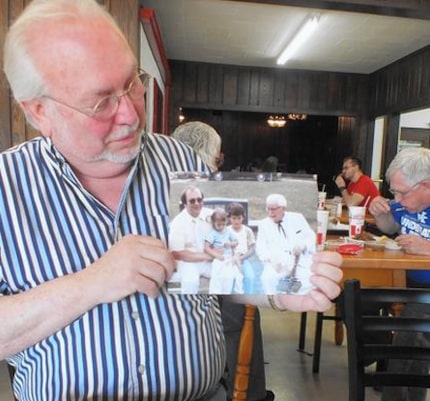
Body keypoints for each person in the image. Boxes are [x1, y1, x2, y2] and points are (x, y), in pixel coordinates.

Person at [1, 1, 342, 400]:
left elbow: (219, 268)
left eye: (132, 82)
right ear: (39, 111)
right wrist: (92, 283)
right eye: (100, 102)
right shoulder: (7, 187)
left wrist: (277, 290)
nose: (130, 114)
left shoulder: (183, 161)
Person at [171, 121, 274, 400]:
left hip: (169, 283)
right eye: (217, 157)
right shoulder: (209, 185)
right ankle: (250, 393)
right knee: (243, 312)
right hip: (194, 284)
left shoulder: (164, 182)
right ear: (212, 155)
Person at [369, 147, 430, 401]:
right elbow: (391, 226)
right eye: (393, 191)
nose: (397, 199)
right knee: (356, 294)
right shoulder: (405, 204)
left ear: (425, 185)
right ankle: (376, 358)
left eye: (401, 192)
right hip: (405, 282)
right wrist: (379, 213)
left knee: (412, 328)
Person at [256, 194, 316, 295]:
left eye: (273, 209)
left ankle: (298, 304)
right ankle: (278, 303)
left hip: (299, 261)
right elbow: (260, 248)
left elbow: (311, 237)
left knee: (309, 280)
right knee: (269, 278)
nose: (270, 213)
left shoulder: (297, 218)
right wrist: (271, 258)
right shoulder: (263, 224)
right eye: (268, 209)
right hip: (277, 262)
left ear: (283, 208)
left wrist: (303, 245)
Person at [168, 186, 214, 294]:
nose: (197, 203)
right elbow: (177, 253)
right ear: (185, 204)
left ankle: (218, 305)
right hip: (188, 263)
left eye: (199, 199)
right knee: (190, 281)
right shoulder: (178, 223)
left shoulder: (211, 215)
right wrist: (206, 256)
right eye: (192, 201)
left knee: (226, 275)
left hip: (209, 260)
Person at [204, 208, 241, 294]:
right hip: (218, 259)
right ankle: (215, 293)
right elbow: (206, 247)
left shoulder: (227, 231)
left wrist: (230, 244)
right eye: (218, 225)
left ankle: (225, 293)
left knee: (228, 277)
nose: (221, 227)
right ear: (213, 223)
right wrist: (216, 255)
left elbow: (236, 242)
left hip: (228, 258)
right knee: (217, 277)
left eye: (223, 224)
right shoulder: (212, 234)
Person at [227, 202, 261, 294]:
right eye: (234, 218)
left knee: (250, 277)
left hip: (244, 259)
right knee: (231, 278)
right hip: (230, 260)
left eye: (239, 218)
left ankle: (247, 297)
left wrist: (242, 257)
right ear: (229, 218)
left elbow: (252, 247)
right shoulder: (226, 231)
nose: (236, 221)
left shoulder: (247, 231)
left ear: (243, 217)